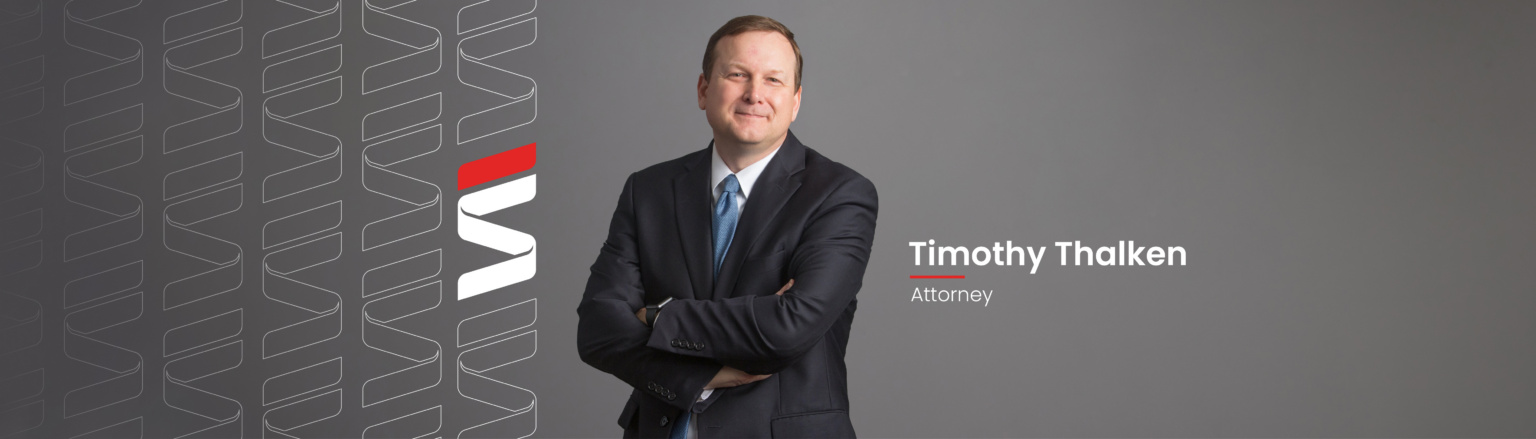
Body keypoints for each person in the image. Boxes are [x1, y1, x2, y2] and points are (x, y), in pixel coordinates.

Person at [577, 14, 878, 439]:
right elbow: (597, 330)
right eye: (737, 74)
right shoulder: (648, 190)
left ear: (795, 101)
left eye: (774, 80)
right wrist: (696, 377)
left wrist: (656, 316)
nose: (755, 94)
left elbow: (788, 328)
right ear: (704, 89)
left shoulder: (840, 194)